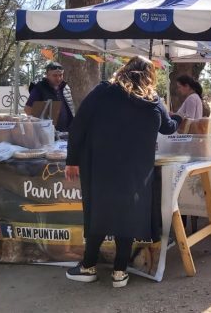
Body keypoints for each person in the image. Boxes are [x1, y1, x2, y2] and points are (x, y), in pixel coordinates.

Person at [64, 56, 180, 288]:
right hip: (137, 170)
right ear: (149, 76)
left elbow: (79, 125)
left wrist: (72, 160)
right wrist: (178, 116)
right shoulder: (153, 99)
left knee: (99, 211)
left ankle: (88, 266)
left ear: (124, 69)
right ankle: (119, 272)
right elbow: (168, 127)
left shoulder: (103, 91)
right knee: (127, 214)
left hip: (101, 166)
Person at [25, 61, 75, 132]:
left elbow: (70, 109)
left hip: (67, 131)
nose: (58, 78)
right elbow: (28, 109)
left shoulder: (65, 87)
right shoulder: (39, 88)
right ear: (47, 75)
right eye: (55, 75)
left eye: (60, 75)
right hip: (48, 132)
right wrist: (44, 125)